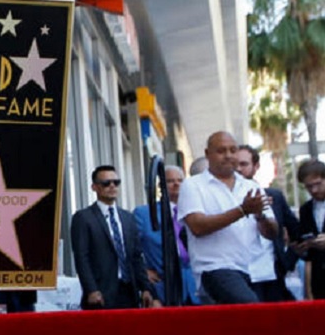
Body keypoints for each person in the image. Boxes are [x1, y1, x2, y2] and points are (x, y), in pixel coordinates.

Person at [177, 131, 278, 304]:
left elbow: (273, 233)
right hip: (214, 269)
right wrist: (242, 210)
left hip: (252, 270)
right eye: (221, 151)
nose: (228, 155)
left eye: (233, 150)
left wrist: (260, 215)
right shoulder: (193, 185)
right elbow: (198, 227)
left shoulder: (251, 186)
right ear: (208, 154)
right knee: (252, 311)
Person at [71, 165, 157, 309]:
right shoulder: (84, 218)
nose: (112, 186)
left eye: (116, 182)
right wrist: (91, 289)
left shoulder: (127, 217)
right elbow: (81, 257)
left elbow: (136, 256)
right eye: (106, 183)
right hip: (101, 292)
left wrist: (146, 288)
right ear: (95, 187)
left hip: (129, 290)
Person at [236, 144, 299, 301]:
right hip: (239, 276)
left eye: (243, 164)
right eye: (235, 164)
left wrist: (288, 260)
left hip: (272, 275)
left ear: (256, 166)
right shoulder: (222, 197)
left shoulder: (274, 197)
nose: (238, 169)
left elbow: (297, 231)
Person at [132, 164, 199, 304]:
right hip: (163, 285)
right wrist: (142, 272)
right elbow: (130, 247)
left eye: (180, 180)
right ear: (159, 186)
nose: (176, 184)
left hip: (195, 284)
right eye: (170, 181)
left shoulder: (195, 211)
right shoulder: (144, 214)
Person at [294, 159, 325, 300]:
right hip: (319, 280)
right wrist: (302, 248)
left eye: (318, 184)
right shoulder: (306, 209)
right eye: (308, 187)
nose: (314, 190)